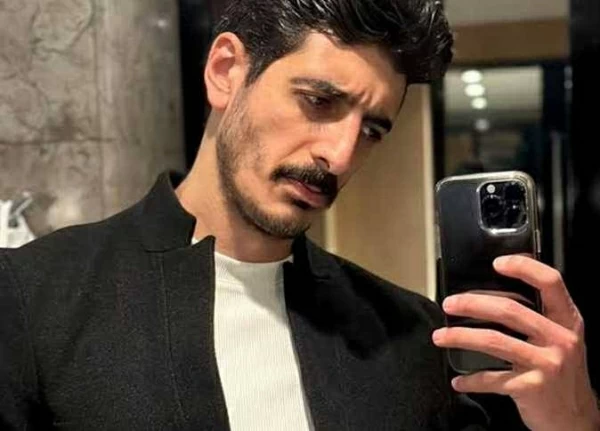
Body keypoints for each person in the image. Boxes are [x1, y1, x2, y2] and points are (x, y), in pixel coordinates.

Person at [1, 0, 598, 429]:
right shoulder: (33, 298)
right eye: (319, 101)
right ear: (225, 72)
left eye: (372, 130)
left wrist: (569, 418)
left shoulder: (408, 336)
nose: (340, 155)